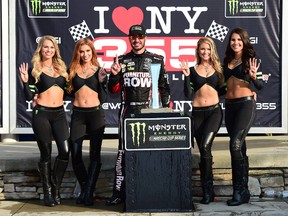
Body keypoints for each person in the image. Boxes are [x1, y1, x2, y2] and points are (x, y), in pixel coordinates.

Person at [105, 24, 171, 205]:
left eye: (139, 36)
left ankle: (152, 188)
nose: (136, 40)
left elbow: (164, 87)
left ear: (145, 38)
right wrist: (115, 75)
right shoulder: (122, 60)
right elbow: (113, 90)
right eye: (133, 37)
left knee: (151, 151)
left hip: (149, 111)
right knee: (122, 153)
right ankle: (118, 192)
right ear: (129, 39)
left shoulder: (156, 59)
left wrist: (166, 109)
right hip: (127, 110)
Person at [18, 35, 70, 207]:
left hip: (60, 114)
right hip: (42, 114)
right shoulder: (35, 70)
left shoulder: (62, 68)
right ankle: (48, 193)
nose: (49, 50)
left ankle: (55, 187)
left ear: (56, 50)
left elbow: (68, 91)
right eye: (46, 47)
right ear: (40, 49)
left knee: (64, 151)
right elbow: (27, 96)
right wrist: (25, 82)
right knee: (46, 154)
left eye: (52, 47)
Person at [180, 37, 224, 204]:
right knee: (204, 151)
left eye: (208, 49)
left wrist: (250, 92)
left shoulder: (219, 70)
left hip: (214, 113)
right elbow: (188, 94)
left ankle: (207, 191)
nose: (205, 52)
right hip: (197, 114)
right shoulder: (191, 70)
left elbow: (226, 90)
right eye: (202, 49)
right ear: (198, 51)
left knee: (205, 146)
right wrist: (185, 76)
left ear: (212, 50)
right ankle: (209, 192)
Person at [223, 27, 263, 206]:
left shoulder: (250, 60)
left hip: (246, 105)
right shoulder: (226, 60)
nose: (236, 43)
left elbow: (261, 85)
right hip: (230, 107)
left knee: (235, 145)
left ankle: (239, 191)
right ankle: (243, 191)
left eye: (239, 40)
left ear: (244, 41)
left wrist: (254, 78)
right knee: (240, 148)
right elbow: (222, 86)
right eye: (233, 40)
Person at [67, 38, 107, 206]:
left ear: (92, 52)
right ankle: (86, 189)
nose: (85, 54)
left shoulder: (99, 70)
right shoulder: (72, 70)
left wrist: (101, 82)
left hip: (95, 115)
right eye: (82, 51)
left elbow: (103, 99)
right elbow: (66, 92)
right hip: (78, 115)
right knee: (75, 155)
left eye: (88, 51)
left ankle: (88, 193)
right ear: (78, 52)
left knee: (94, 156)